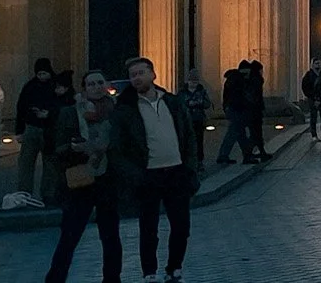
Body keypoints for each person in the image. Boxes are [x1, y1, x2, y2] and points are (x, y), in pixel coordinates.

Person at [111, 57, 198, 283]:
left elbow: (188, 135)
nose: (137, 78)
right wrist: (135, 175)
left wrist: (190, 167)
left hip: (176, 172)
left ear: (153, 74)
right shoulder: (125, 109)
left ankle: (174, 268)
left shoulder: (173, 102)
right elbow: (118, 147)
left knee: (181, 226)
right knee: (149, 229)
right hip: (147, 175)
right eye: (133, 75)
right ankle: (149, 272)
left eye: (141, 73)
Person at [45, 71, 123, 283]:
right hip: (80, 181)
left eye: (100, 82)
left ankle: (112, 279)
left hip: (107, 180)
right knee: (69, 236)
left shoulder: (116, 111)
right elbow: (56, 148)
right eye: (91, 84)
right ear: (84, 88)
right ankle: (55, 279)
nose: (96, 87)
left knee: (111, 237)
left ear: (106, 85)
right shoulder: (70, 113)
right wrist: (75, 148)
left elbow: (123, 144)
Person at [15, 58, 63, 201]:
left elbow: (63, 105)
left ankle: (48, 194)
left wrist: (49, 114)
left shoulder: (56, 85)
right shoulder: (30, 86)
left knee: (50, 164)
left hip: (49, 129)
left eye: (44, 73)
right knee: (26, 163)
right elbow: (21, 108)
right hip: (32, 128)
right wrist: (19, 130)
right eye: (39, 74)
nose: (41, 76)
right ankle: (24, 193)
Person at [178, 69, 213, 169]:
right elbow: (178, 105)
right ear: (188, 81)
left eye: (195, 81)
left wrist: (199, 103)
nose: (194, 83)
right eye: (192, 81)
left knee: (198, 141)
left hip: (198, 119)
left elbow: (207, 104)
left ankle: (199, 161)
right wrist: (188, 104)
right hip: (186, 119)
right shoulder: (182, 93)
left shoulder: (201, 91)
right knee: (186, 141)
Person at [301, 59, 321, 141]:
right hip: (312, 98)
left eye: (320, 63)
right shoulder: (309, 75)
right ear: (312, 64)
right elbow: (305, 87)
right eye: (316, 63)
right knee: (313, 116)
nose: (318, 65)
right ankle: (314, 135)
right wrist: (311, 96)